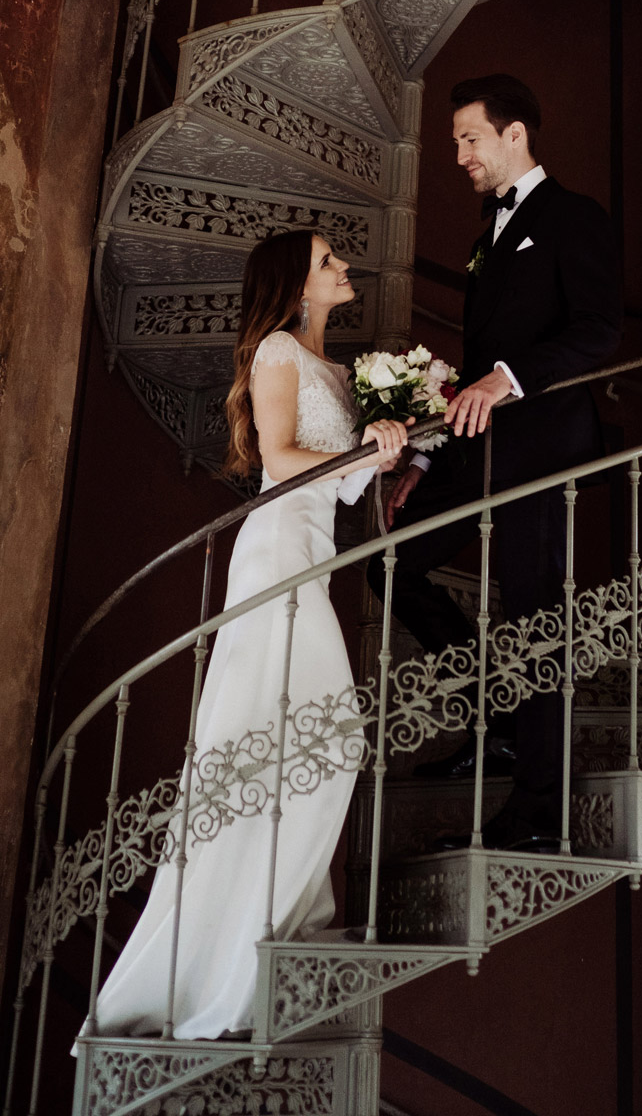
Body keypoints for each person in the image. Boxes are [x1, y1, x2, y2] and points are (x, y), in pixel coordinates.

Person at [93, 230, 409, 1040]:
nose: (342, 269)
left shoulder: (338, 372)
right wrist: (357, 455)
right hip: (275, 555)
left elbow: (341, 492)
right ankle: (228, 953)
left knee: (308, 741)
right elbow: (277, 456)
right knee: (310, 737)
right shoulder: (276, 351)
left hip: (316, 554)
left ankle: (274, 926)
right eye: (327, 262)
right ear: (298, 288)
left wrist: (388, 458)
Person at [368, 74, 622, 853]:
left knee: (534, 615)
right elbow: (477, 367)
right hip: (477, 445)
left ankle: (541, 808)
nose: (458, 155)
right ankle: (504, 720)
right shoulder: (486, 241)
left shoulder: (574, 218)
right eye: (454, 142)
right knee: (392, 566)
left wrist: (507, 377)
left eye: (468, 138)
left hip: (544, 445)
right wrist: (434, 449)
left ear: (515, 136)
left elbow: (599, 330)